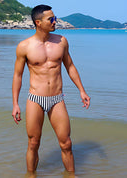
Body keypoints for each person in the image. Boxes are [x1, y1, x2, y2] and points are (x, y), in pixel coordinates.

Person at [12, 4, 90, 175]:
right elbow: (17, 76)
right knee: (33, 143)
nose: (55, 21)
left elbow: (70, 67)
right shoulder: (24, 46)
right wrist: (15, 104)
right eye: (51, 19)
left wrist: (82, 91)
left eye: (55, 18)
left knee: (66, 143)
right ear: (38, 22)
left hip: (57, 99)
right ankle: (31, 175)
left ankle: (71, 175)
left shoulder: (61, 41)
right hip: (35, 99)